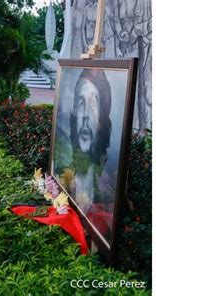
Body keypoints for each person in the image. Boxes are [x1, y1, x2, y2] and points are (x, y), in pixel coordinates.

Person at [68, 69, 114, 233]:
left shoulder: (108, 184)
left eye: (93, 104)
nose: (85, 116)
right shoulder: (64, 170)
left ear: (102, 120)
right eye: (81, 103)